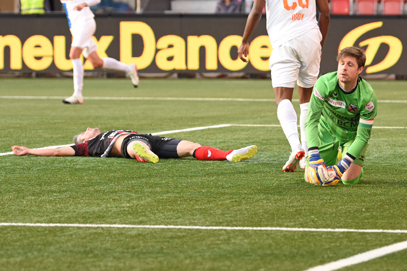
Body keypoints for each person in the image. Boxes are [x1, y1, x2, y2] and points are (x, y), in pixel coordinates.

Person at [239, 0, 331, 173]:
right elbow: (325, 13)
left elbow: (257, 11)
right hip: (311, 37)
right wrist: (320, 43)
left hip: (284, 40)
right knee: (307, 101)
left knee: (282, 98)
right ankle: (307, 156)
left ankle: (295, 146)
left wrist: (245, 40)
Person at [13, 0, 139, 104]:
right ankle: (129, 69)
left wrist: (84, 4)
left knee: (74, 54)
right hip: (74, 26)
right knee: (96, 62)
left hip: (86, 22)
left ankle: (77, 95)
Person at [303, 46, 377, 186]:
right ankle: (336, 154)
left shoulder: (368, 97)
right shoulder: (324, 83)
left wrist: (341, 167)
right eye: (342, 63)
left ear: (360, 70)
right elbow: (311, 121)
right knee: (312, 178)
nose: (344, 68)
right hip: (327, 131)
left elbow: (363, 137)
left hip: (351, 137)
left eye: (350, 65)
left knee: (348, 180)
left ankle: (347, 158)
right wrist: (313, 155)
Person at [12, 127, 257, 164]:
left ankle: (228, 155)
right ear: (84, 140)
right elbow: (57, 150)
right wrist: (30, 150)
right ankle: (142, 153)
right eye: (84, 131)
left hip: (150, 138)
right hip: (128, 143)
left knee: (191, 146)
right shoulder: (87, 146)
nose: (88, 128)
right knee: (133, 143)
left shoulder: (105, 132)